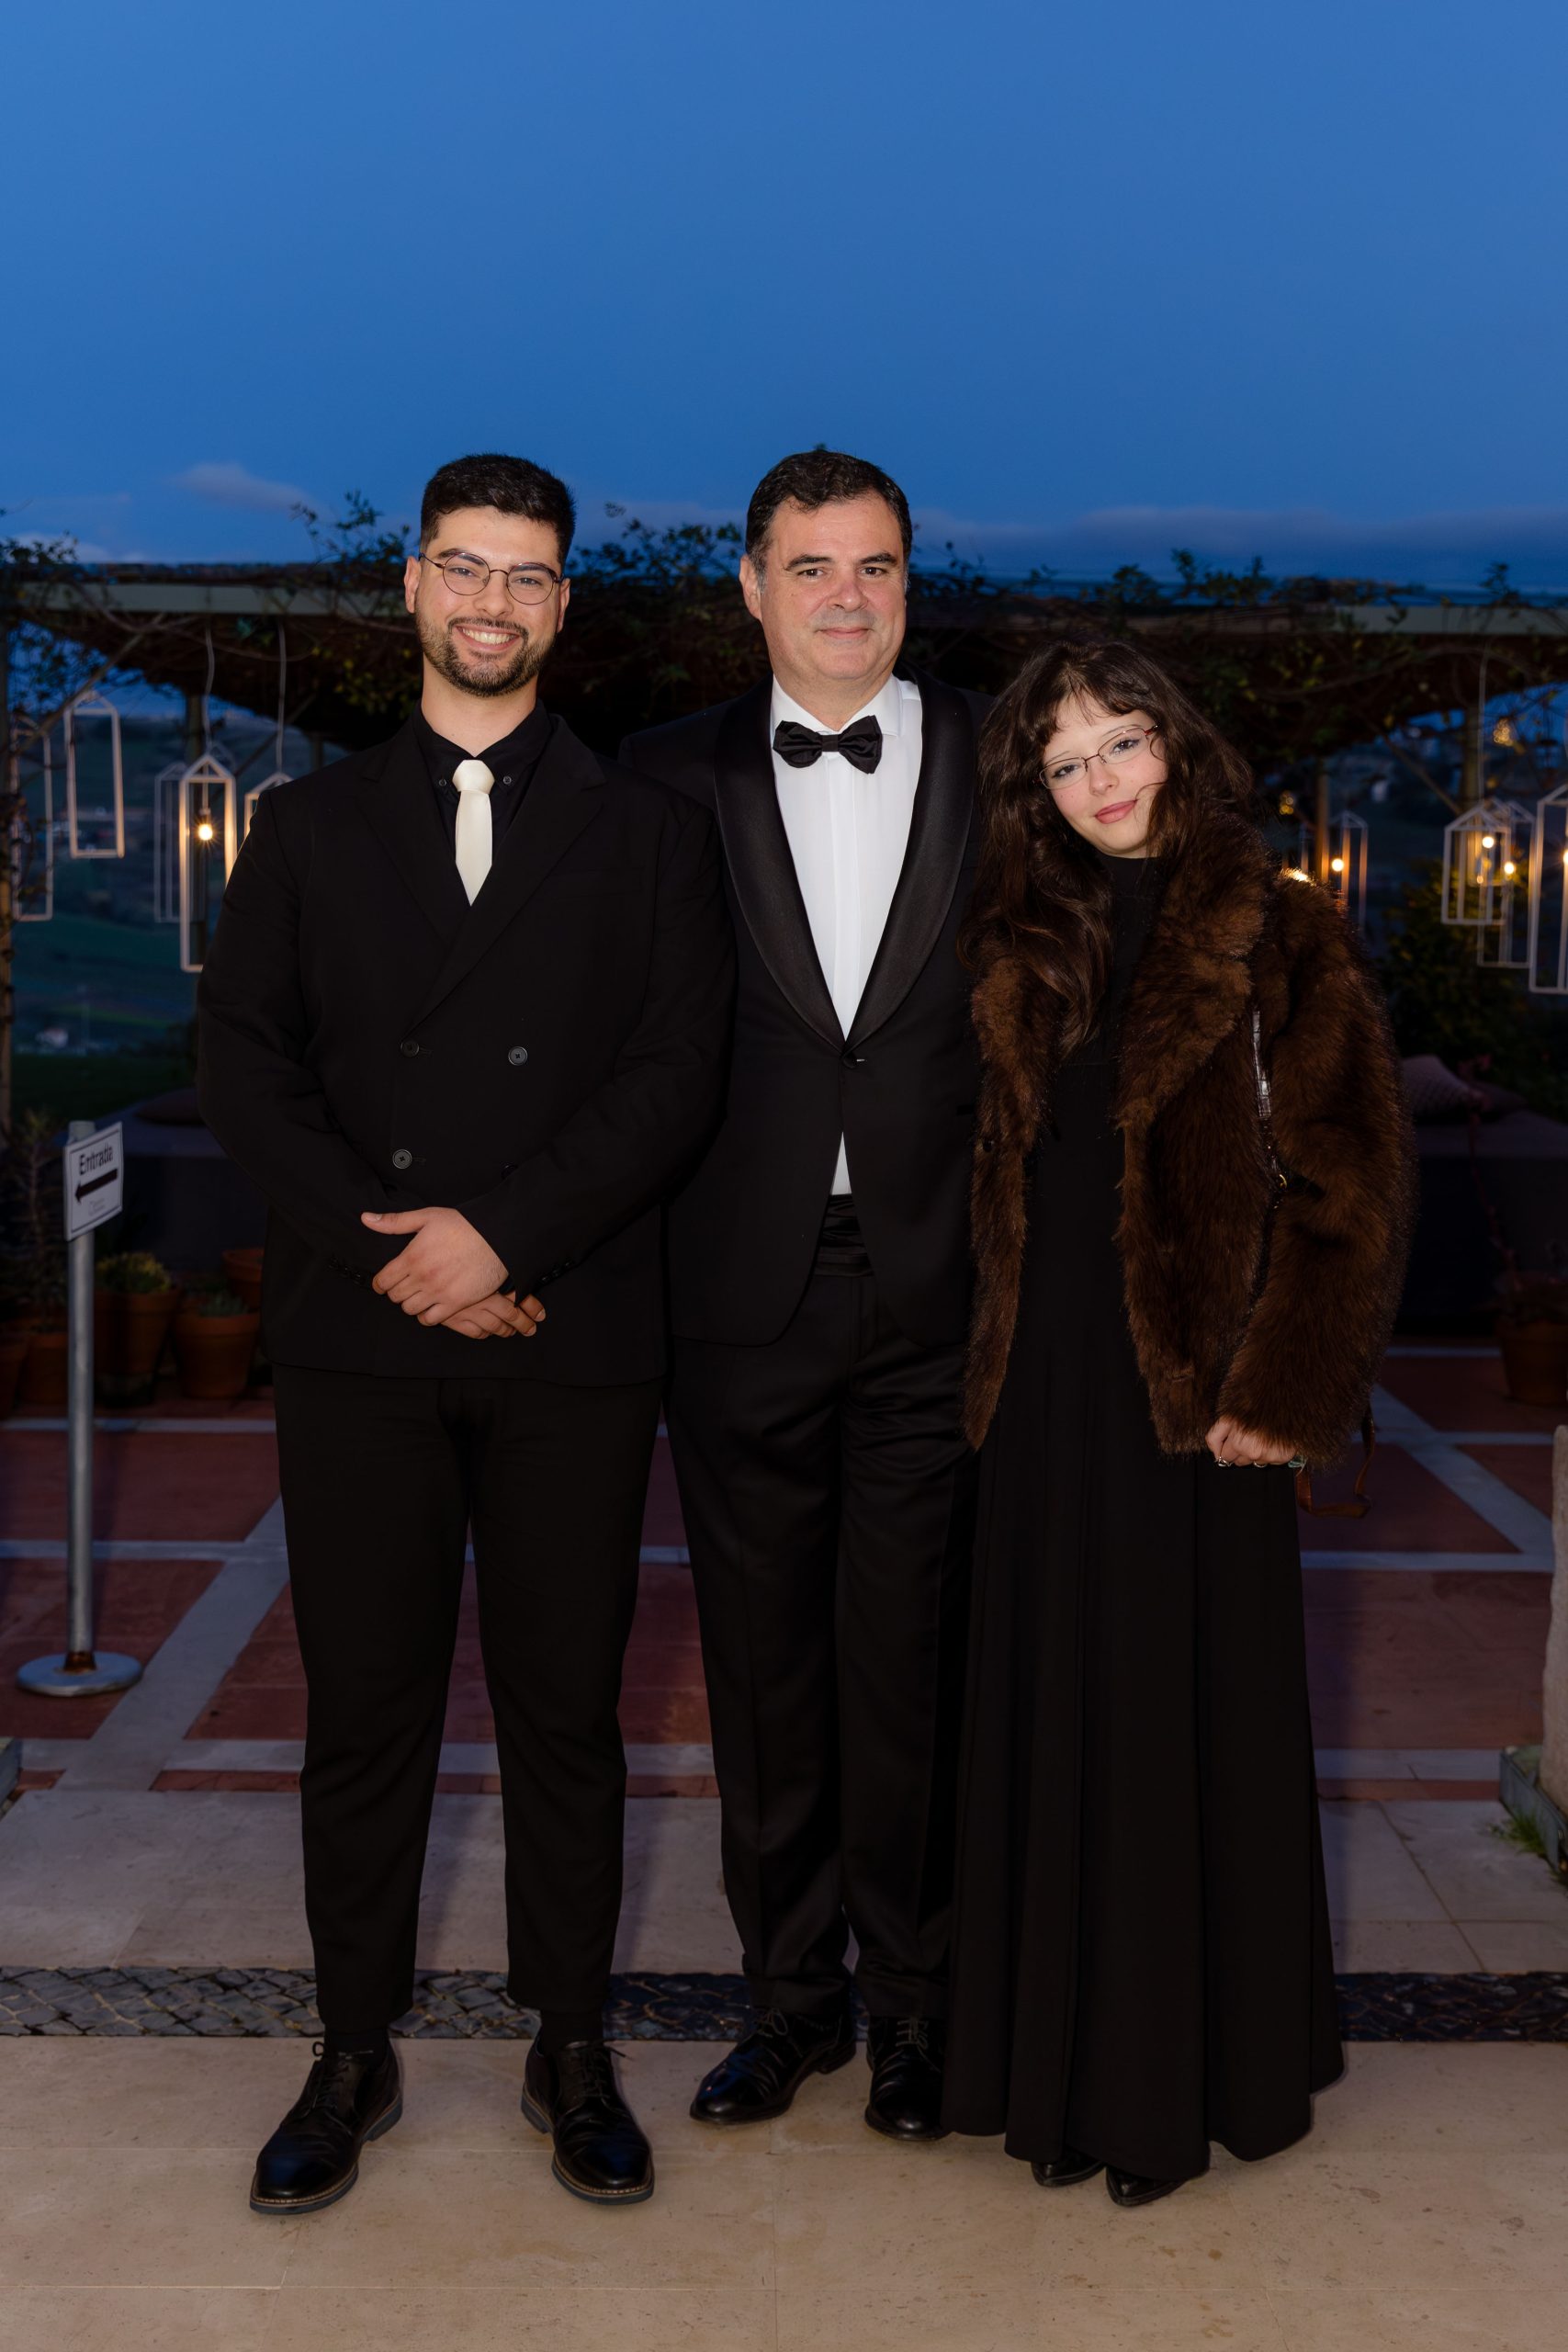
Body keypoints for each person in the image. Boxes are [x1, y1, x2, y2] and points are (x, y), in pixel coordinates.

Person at [197, 451, 732, 2214]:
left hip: (571, 1331)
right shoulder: (307, 826)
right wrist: (407, 1255)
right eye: (465, 566)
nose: (493, 600)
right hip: (364, 1338)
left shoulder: (651, 831)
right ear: (413, 587)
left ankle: (570, 2046)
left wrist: (503, 1236)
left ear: (562, 606)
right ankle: (350, 2050)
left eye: (527, 574)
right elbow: (247, 1069)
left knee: (567, 1714)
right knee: (366, 1715)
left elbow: (675, 1075)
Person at [944, 639, 1413, 2205]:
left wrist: (1289, 1388)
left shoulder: (1280, 928)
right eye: (1065, 761)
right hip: (1040, 1385)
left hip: (1196, 1394)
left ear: (1176, 742)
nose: (1101, 781)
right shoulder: (1024, 933)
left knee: (1174, 1721)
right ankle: (1046, 2071)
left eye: (1122, 741)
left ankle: (1169, 2093)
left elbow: (1353, 1180)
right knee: (1053, 1710)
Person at [620, 451, 987, 2141]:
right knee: (764, 1671)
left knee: (912, 1663)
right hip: (736, 1285)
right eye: (815, 566)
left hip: (943, 1279)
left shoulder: (1002, 758)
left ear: (911, 582)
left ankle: (914, 2009)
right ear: (752, 585)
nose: (849, 596)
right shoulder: (657, 776)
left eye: (878, 566)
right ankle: (788, 2007)